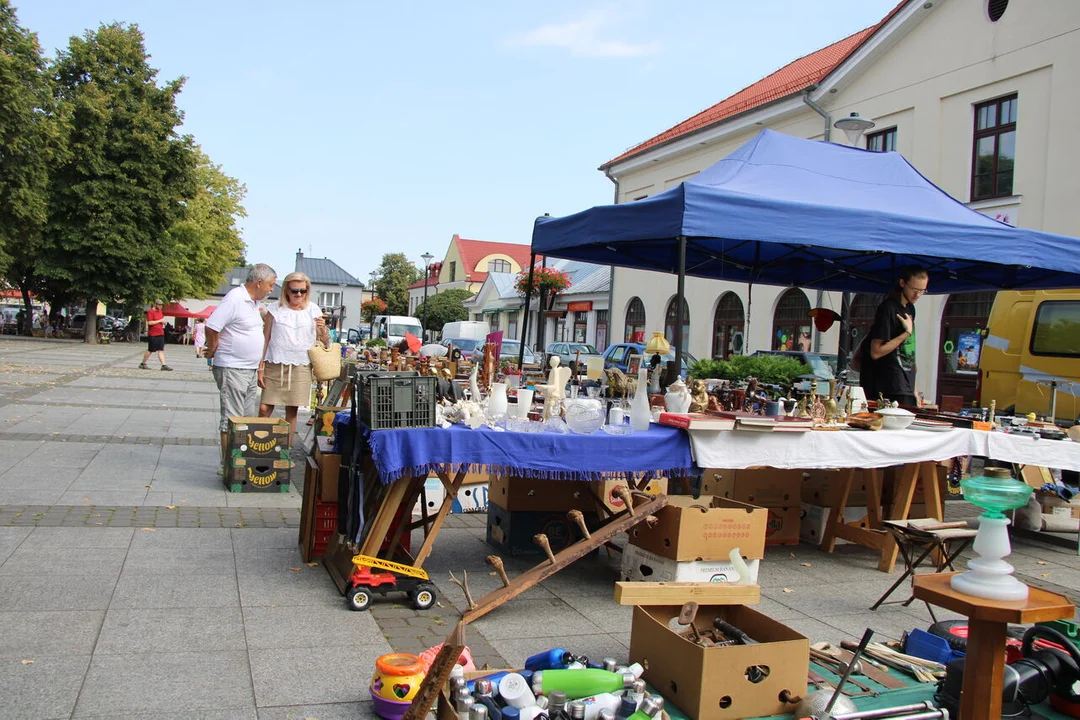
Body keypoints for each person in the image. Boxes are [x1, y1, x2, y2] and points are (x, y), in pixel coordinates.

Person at [205, 263, 278, 464]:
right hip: (232, 367)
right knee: (232, 419)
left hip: (248, 369)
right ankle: (228, 466)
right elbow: (212, 326)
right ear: (259, 282)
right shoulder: (236, 298)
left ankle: (241, 463)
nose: (272, 289)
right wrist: (212, 348)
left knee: (245, 419)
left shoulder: (252, 303)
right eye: (271, 285)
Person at [258, 271, 327, 445]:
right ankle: (259, 447)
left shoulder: (314, 310)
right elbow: (265, 338)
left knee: (292, 411)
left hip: (301, 365)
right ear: (286, 290)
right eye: (294, 290)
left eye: (302, 291)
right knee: (264, 408)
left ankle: (283, 452)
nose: (298, 294)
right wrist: (260, 366)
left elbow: (324, 342)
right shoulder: (274, 309)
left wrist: (323, 330)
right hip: (275, 363)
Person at [861, 266, 929, 407]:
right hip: (889, 385)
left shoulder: (910, 308)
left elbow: (910, 353)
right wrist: (906, 334)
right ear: (902, 283)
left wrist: (914, 389)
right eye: (914, 290)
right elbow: (876, 352)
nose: (917, 295)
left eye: (922, 291)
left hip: (905, 385)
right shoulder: (888, 309)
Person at [139, 300, 173, 371]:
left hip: (160, 333)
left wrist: (164, 322)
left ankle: (164, 365)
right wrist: (160, 321)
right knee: (151, 350)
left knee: (161, 349)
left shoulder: (160, 311)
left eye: (161, 305)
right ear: (155, 304)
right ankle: (143, 363)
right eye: (159, 305)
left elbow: (162, 319)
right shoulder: (150, 312)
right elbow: (150, 322)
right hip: (153, 334)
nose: (161, 306)